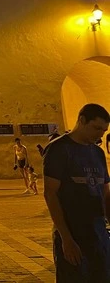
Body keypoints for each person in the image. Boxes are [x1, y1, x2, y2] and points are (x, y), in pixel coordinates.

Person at [43, 103, 110, 281]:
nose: (100, 134)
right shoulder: (59, 149)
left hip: (98, 234)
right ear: (81, 120)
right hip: (73, 233)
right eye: (96, 128)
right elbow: (50, 194)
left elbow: (105, 192)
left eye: (103, 130)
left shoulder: (98, 153)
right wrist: (66, 239)